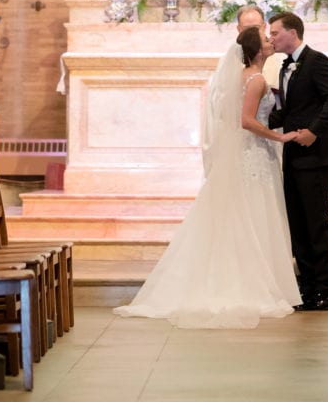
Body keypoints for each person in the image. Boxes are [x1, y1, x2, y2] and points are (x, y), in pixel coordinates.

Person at [114, 26, 301, 328]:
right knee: (256, 215)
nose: (270, 42)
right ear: (256, 51)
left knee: (245, 216)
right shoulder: (255, 80)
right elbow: (246, 121)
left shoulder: (239, 78)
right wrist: (278, 138)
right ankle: (255, 283)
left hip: (247, 155)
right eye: (266, 40)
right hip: (253, 155)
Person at [268, 11, 328, 311]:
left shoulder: (317, 61)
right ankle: (307, 288)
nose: (271, 38)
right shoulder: (285, 66)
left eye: (275, 33)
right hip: (293, 155)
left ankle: (325, 290)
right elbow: (288, 111)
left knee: (316, 223)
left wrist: (314, 131)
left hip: (315, 156)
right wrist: (252, 122)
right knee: (298, 224)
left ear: (293, 32)